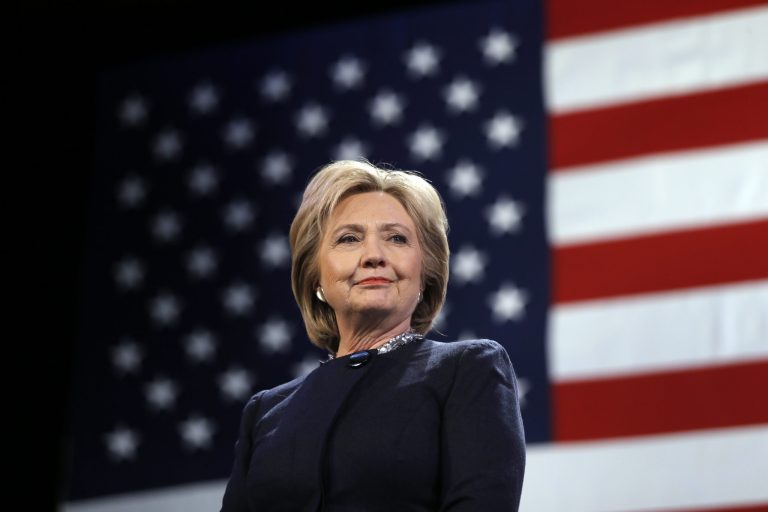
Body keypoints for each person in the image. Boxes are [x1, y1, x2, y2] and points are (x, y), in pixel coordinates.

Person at [220, 159, 526, 511]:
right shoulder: (265, 412)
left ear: (425, 272)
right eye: (349, 239)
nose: (374, 256)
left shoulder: (467, 370)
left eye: (396, 238)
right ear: (315, 276)